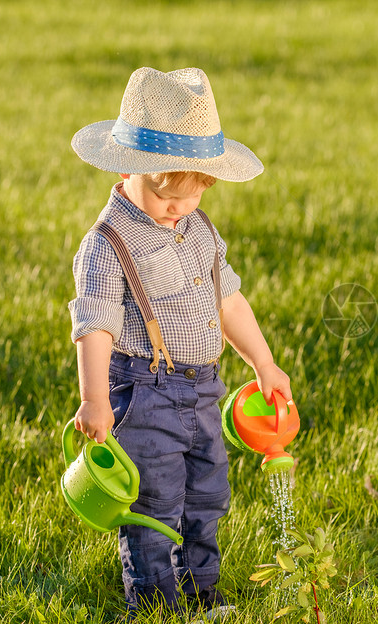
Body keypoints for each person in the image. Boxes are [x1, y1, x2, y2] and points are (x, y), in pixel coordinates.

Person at [68, 67, 292, 618]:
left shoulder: (199, 229)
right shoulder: (107, 242)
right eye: (166, 195)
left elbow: (227, 300)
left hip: (204, 391)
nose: (179, 208)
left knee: (206, 495)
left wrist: (262, 361)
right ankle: (154, 604)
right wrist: (95, 399)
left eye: (192, 197)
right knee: (155, 502)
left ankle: (201, 593)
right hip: (144, 393)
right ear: (128, 170)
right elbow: (95, 323)